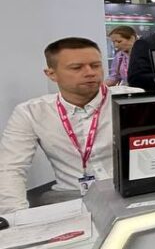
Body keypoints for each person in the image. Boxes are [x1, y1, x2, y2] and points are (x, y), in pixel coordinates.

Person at [0, 38, 112, 213]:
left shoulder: (131, 101)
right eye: (77, 68)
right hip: (71, 196)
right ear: (51, 74)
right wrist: (16, 218)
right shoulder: (31, 112)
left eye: (95, 65)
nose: (90, 72)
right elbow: (11, 168)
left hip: (129, 192)